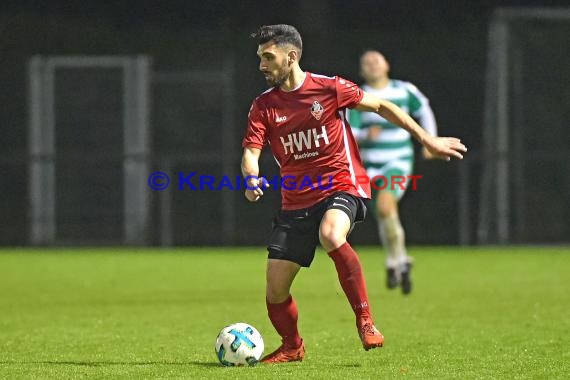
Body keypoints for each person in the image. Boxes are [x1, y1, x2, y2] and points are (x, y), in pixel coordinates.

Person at [241, 25, 466, 364]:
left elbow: (383, 107)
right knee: (275, 289)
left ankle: (365, 320)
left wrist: (427, 140)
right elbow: (251, 152)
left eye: (268, 57)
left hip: (341, 185)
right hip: (296, 201)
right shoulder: (263, 106)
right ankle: (292, 346)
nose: (262, 65)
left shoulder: (329, 88)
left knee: (331, 233)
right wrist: (251, 178)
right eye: (260, 58)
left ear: (292, 56)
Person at [349, 50, 439, 295]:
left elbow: (424, 109)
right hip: (367, 166)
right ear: (362, 70)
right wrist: (367, 135)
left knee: (385, 207)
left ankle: (396, 261)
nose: (372, 64)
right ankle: (397, 260)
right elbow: (349, 133)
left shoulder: (403, 90)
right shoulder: (357, 96)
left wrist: (430, 140)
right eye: (366, 62)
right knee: (383, 213)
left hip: (397, 161)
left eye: (376, 60)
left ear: (387, 64)